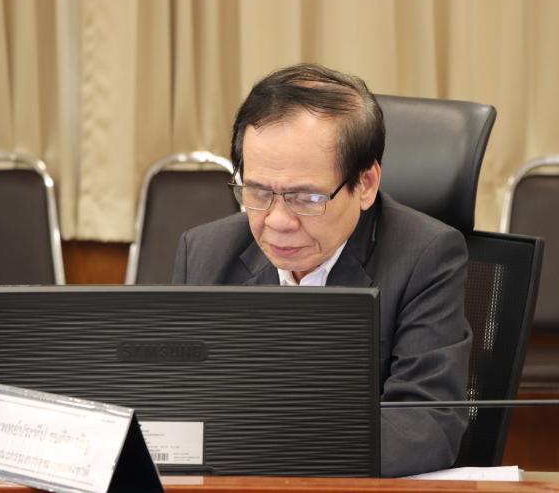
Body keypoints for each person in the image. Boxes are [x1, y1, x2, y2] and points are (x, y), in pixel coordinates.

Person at [173, 63, 471, 477]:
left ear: (365, 184)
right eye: (257, 191)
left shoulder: (425, 256)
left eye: (306, 198)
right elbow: (176, 406)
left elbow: (425, 423)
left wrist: (265, 449)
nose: (277, 221)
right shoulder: (204, 252)